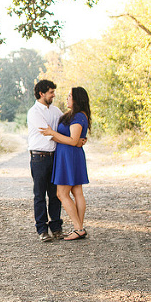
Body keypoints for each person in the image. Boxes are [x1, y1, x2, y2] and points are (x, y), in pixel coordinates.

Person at [41, 87, 91, 241]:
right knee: (76, 192)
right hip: (70, 155)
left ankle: (78, 228)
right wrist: (56, 136)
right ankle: (79, 228)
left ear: (77, 99)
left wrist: (52, 133)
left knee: (62, 194)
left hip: (68, 157)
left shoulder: (78, 117)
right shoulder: (74, 115)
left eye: (70, 96)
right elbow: (75, 140)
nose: (67, 98)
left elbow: (73, 140)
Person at [27, 80, 64, 242]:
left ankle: (56, 228)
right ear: (42, 94)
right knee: (40, 195)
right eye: (51, 92)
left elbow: (66, 126)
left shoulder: (56, 111)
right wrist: (67, 138)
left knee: (56, 195)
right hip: (39, 158)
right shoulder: (34, 112)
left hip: (55, 157)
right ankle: (42, 230)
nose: (54, 95)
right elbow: (48, 133)